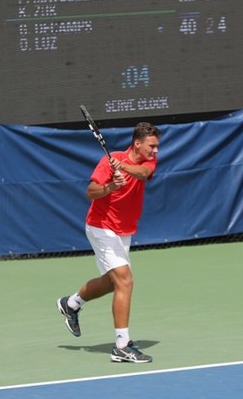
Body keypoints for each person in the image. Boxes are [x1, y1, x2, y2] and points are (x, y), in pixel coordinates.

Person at [57, 122, 161, 363]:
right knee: (125, 280)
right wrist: (111, 185)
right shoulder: (109, 160)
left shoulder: (147, 163)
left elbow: (144, 174)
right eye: (152, 146)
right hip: (101, 226)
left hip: (124, 231)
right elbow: (90, 192)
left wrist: (123, 167)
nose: (155, 151)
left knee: (112, 283)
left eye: (157, 147)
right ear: (137, 143)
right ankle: (122, 345)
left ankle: (71, 303)